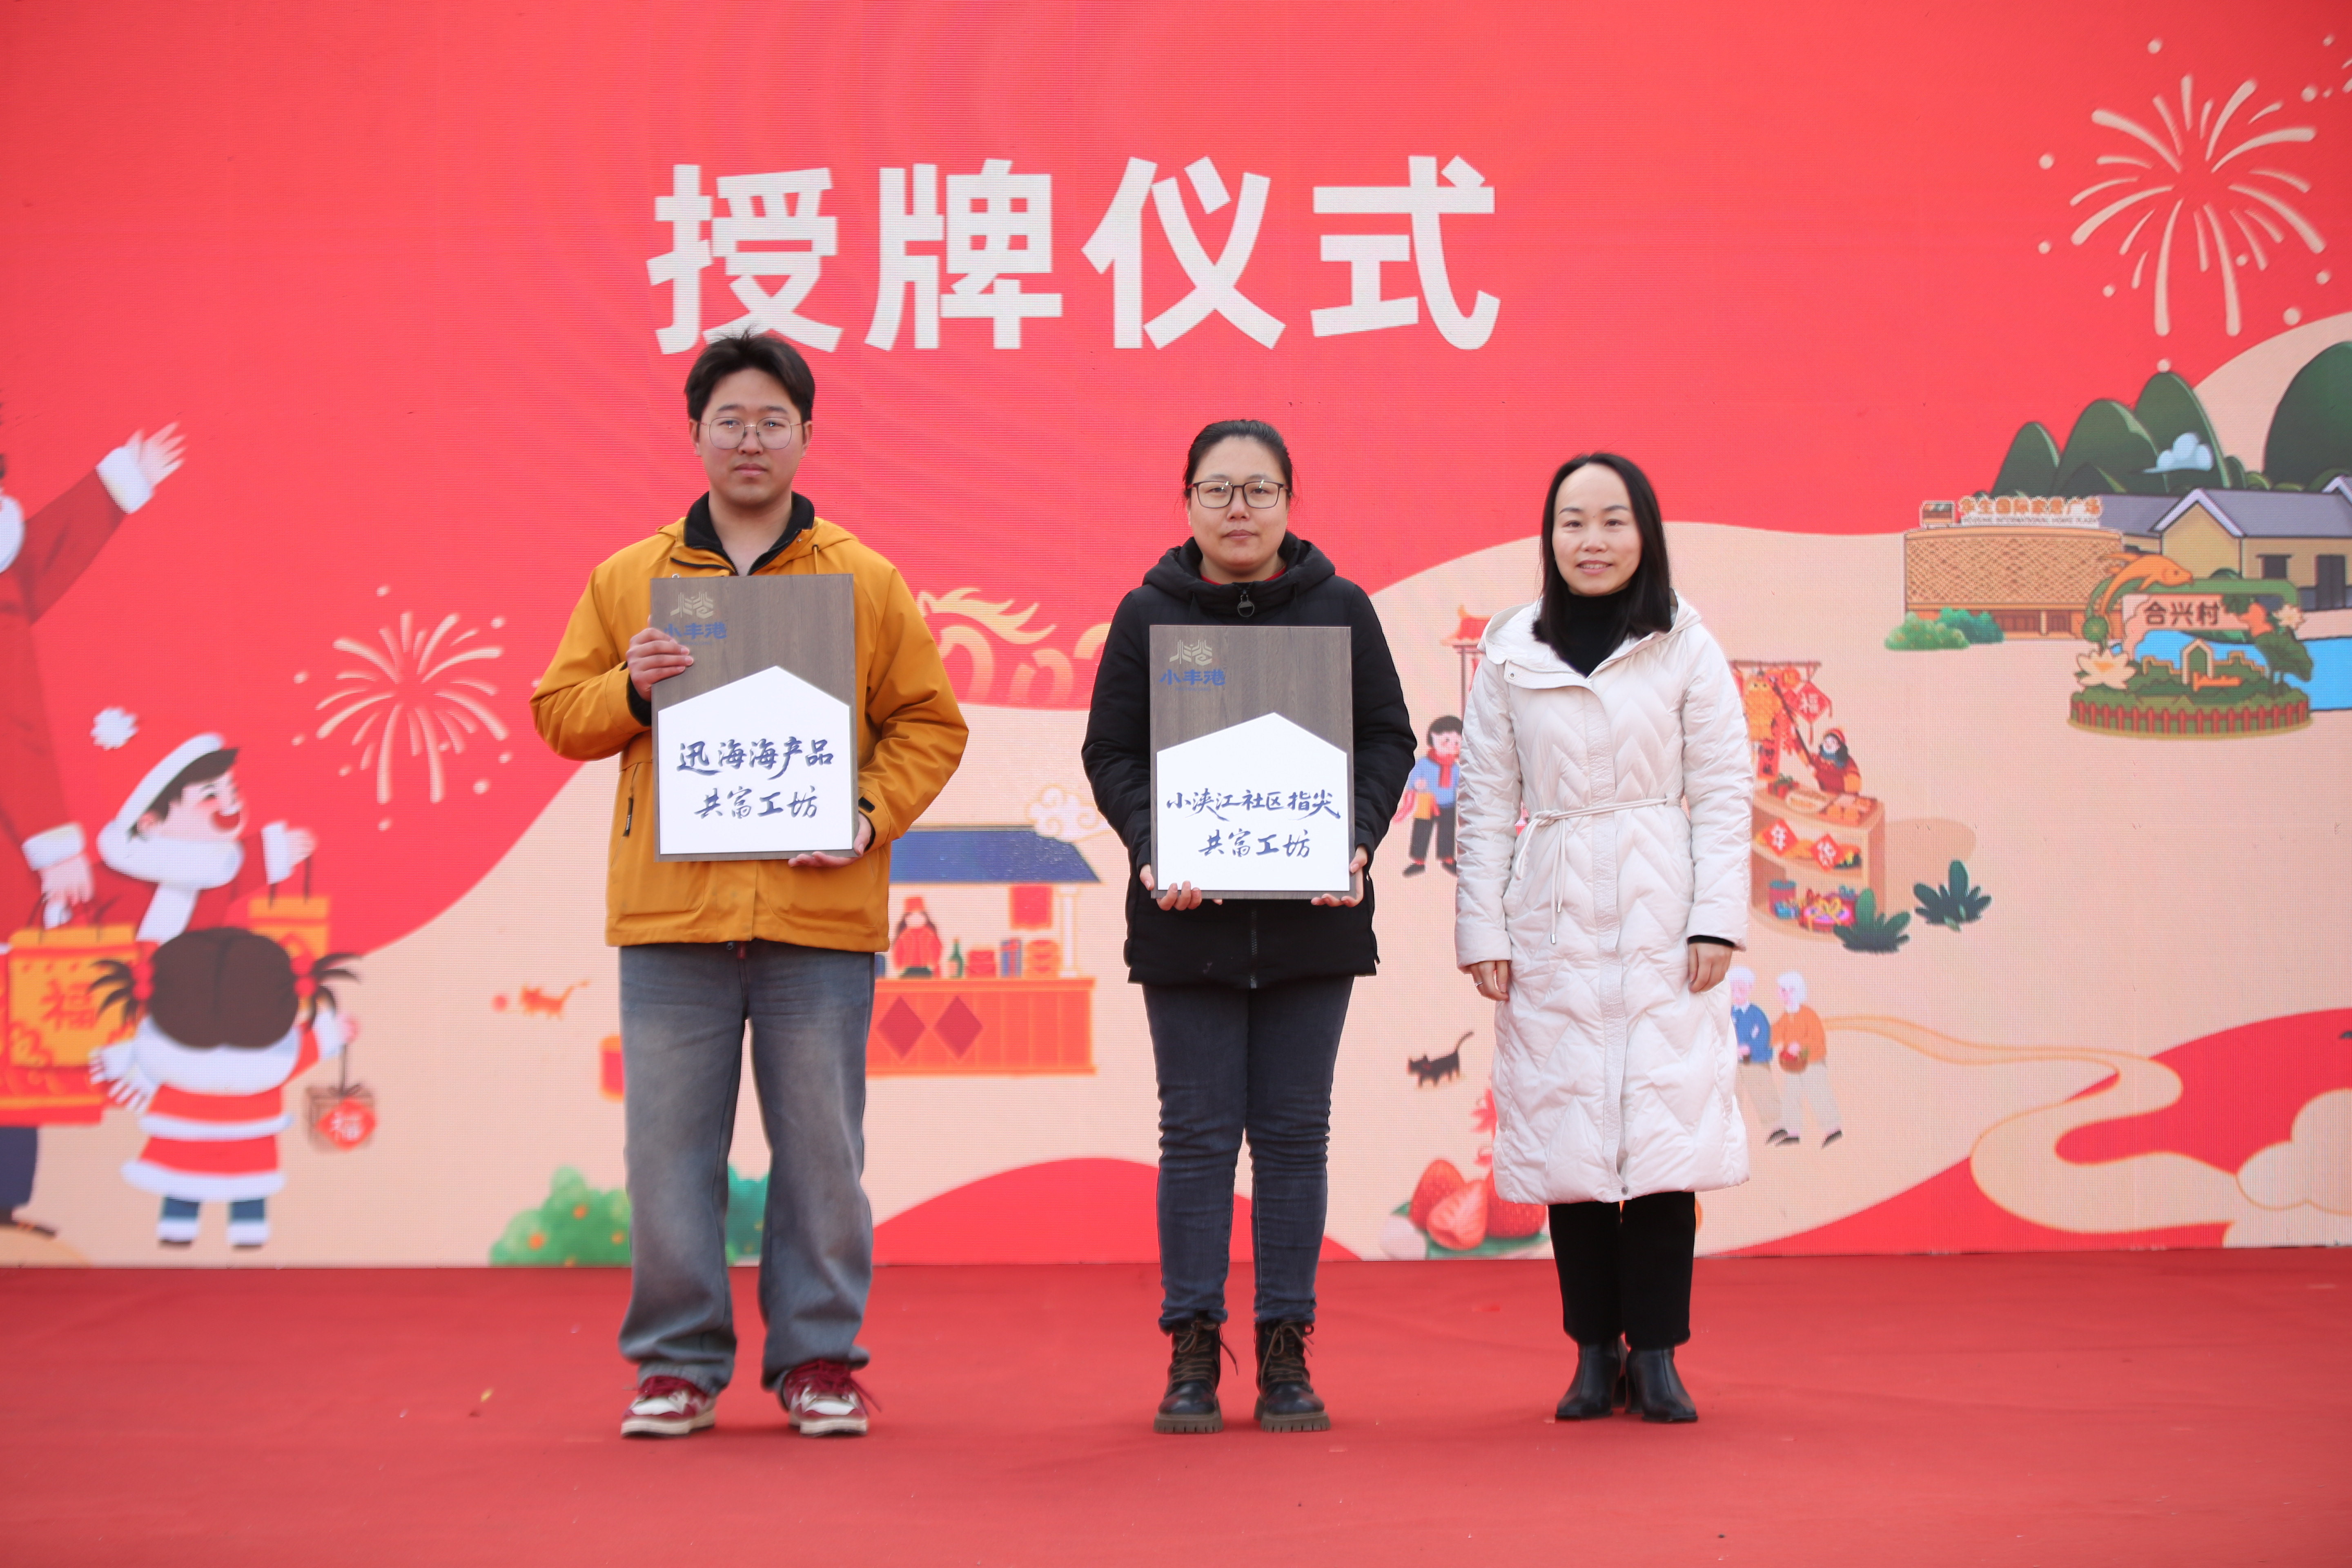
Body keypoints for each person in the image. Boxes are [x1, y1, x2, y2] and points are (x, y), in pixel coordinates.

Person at [532, 332, 967, 1441]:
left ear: (807, 437)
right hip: (671, 918)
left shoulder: (861, 578)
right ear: (695, 434)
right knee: (668, 1151)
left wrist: (866, 816)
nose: (751, 439)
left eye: (774, 420)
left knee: (823, 1149)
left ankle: (819, 1359)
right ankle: (676, 1365)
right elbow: (556, 713)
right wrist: (628, 694)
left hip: (816, 919)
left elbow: (929, 721)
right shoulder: (631, 579)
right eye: (730, 419)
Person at [1082, 419, 1414, 1436]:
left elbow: (1386, 736)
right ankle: (1190, 1346)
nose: (1238, 509)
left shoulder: (1340, 610)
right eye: (1217, 489)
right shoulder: (1147, 614)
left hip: (1313, 918)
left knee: (1291, 1135)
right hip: (1187, 920)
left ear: (1287, 501)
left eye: (1258, 490)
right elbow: (1112, 754)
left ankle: (1284, 1349)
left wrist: (1354, 839)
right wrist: (1151, 846)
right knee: (1191, 1138)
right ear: (1184, 499)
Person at [1454, 453, 1751, 1424]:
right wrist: (1482, 927)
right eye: (1571, 522)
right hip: (1552, 903)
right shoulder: (1512, 649)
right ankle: (1591, 1352)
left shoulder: (1683, 640)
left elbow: (1718, 788)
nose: (1590, 541)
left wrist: (1714, 916)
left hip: (1662, 899)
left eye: (1611, 521)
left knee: (1660, 1133)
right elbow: (1486, 802)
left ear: (1644, 531)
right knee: (1567, 1134)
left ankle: (1657, 1353)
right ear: (1548, 536)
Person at [1773, 970, 1842, 1147]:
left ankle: (1833, 1129)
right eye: (1783, 991)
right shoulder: (1785, 1017)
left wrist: (1800, 1046)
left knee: (1819, 1095)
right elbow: (1775, 1034)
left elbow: (1818, 1040)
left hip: (1813, 1062)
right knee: (1791, 1095)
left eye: (1791, 990)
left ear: (1799, 992)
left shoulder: (1809, 1015)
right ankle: (1793, 1132)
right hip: (1793, 1065)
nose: (1786, 995)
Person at [1393, 715, 1463, 877]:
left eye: (1456, 743)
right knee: (1421, 831)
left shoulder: (1456, 766)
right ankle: (1419, 862)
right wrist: (1417, 786)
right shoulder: (1424, 763)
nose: (1451, 746)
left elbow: (1462, 784)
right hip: (1426, 802)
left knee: (1447, 832)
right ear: (1434, 737)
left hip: (1448, 803)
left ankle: (1448, 859)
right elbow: (1413, 781)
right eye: (1446, 741)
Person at [1727, 966, 1784, 1143]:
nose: (1738, 992)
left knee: (1763, 1091)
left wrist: (1749, 1048)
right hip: (1732, 1063)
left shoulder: (1756, 1014)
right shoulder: (1727, 1013)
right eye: (1734, 988)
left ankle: (1778, 1126)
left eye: (1742, 988)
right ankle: (1732, 1131)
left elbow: (1765, 1037)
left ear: (1750, 989)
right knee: (1731, 1095)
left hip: (1755, 1061)